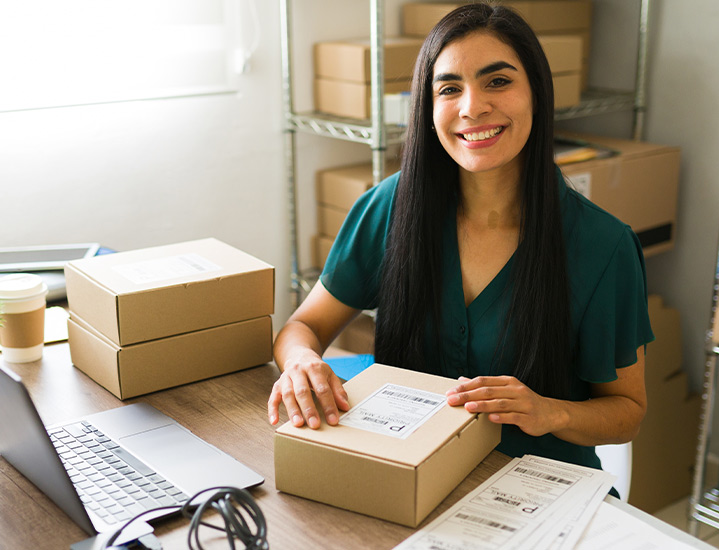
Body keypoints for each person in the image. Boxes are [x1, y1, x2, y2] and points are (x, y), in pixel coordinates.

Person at [267, 2, 653, 474]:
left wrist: (551, 410)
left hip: (540, 491)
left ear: (537, 93)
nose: (473, 107)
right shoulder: (389, 207)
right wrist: (302, 361)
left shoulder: (603, 246)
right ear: (429, 109)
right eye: (450, 88)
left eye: (498, 81)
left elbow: (626, 415)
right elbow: (301, 328)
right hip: (411, 474)